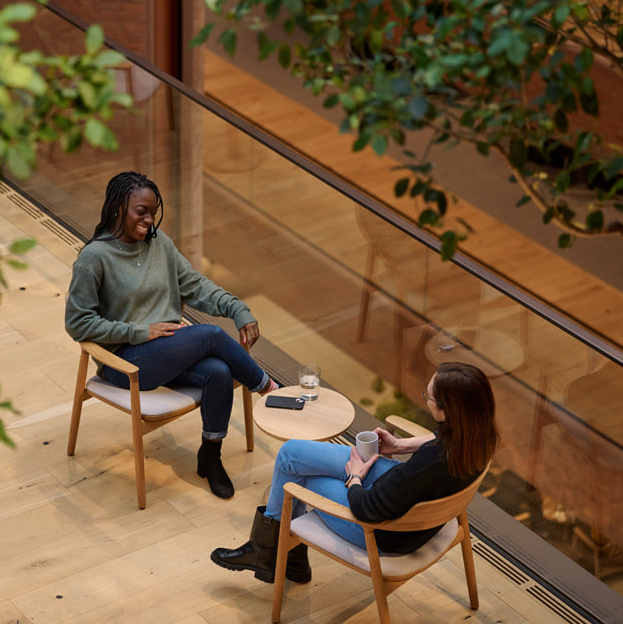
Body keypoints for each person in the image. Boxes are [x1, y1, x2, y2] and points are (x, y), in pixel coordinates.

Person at [65, 171, 279, 500]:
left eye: (153, 211)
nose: (150, 219)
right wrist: (139, 331)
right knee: (210, 336)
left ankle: (210, 456)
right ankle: (271, 391)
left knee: (219, 372)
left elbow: (195, 286)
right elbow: (77, 323)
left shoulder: (159, 243)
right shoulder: (94, 258)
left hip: (167, 353)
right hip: (126, 362)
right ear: (119, 207)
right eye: (141, 211)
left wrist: (237, 309)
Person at [210, 362, 498, 584]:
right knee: (292, 455)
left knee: (299, 477)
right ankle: (286, 559)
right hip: (406, 505)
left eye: (429, 396)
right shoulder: (480, 435)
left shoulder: (428, 464)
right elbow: (439, 439)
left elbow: (366, 509)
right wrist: (399, 445)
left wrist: (354, 477)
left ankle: (268, 553)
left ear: (448, 411)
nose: (425, 399)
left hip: (384, 532)